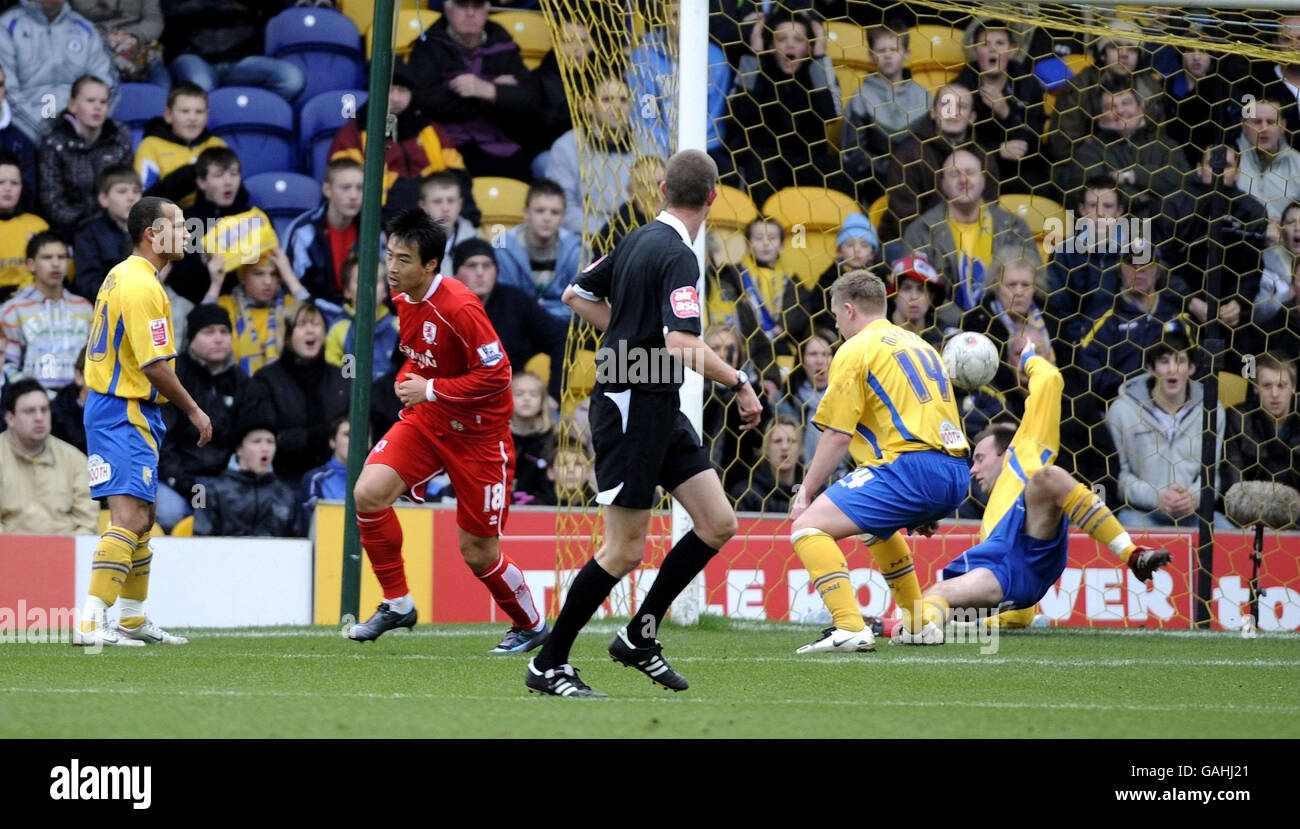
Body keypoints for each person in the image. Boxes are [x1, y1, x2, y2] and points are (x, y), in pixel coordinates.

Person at [525, 149, 762, 697]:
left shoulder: (635, 239)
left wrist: (628, 335)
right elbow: (680, 342)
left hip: (657, 405)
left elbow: (575, 294)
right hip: (632, 407)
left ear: (660, 190)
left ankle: (639, 635)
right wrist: (740, 380)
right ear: (713, 196)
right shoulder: (678, 256)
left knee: (717, 522)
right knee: (625, 549)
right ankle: (549, 663)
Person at [349, 208, 549, 655]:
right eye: (389, 256)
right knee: (368, 493)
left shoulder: (460, 305)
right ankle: (397, 602)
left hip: (480, 436)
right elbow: (424, 353)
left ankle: (531, 624)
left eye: (404, 260)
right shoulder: (402, 297)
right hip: (428, 421)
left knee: (477, 551)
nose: (392, 268)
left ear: (431, 265)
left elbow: (497, 375)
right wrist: (413, 377)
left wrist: (432, 389)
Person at [908, 343, 1172, 637]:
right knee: (936, 595)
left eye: (980, 458)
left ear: (1004, 453)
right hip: (1010, 574)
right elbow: (1017, 611)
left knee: (1048, 477)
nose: (973, 469)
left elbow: (1050, 381)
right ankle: (915, 629)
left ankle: (1131, 553)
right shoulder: (991, 518)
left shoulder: (1023, 450)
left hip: (1034, 541)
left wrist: (1029, 359)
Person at [786, 269, 968, 652]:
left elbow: (837, 434)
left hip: (913, 467)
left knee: (807, 528)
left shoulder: (856, 349)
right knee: (875, 528)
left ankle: (849, 627)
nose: (836, 325)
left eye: (836, 316)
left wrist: (806, 491)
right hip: (954, 469)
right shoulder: (919, 345)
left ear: (849, 309)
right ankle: (918, 624)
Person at [74, 195, 212, 648]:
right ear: (154, 233)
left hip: (123, 408)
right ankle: (91, 621)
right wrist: (193, 409)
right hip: (123, 409)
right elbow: (154, 365)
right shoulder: (142, 287)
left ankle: (131, 619)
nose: (187, 233)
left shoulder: (123, 275)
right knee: (129, 515)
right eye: (179, 225)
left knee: (144, 516)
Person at [156, 303, 269, 532]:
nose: (218, 339)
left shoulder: (245, 385)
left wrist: (225, 484)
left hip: (226, 480)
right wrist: (189, 485)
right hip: (175, 479)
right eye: (209, 332)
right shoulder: (173, 380)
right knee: (170, 514)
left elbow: (248, 440)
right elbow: (162, 442)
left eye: (224, 332)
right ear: (192, 338)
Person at [1105, 327, 1229, 529]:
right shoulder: (1122, 410)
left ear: (1191, 368)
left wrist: (1193, 498)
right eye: (1164, 361)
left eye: (1180, 361)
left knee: (1232, 537)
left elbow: (1212, 475)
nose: (1172, 369)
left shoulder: (1212, 410)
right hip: (1142, 514)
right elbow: (1118, 477)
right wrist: (1158, 498)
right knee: (1126, 535)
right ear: (1150, 368)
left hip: (1194, 513)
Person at [406, 0, 539, 180]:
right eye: (462, 5)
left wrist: (488, 89)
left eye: (476, 6)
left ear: (486, 11)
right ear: (448, 9)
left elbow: (531, 98)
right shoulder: (428, 44)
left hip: (499, 144)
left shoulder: (501, 41)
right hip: (446, 144)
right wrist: (494, 93)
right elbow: (423, 99)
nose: (470, 13)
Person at [453, 237, 567, 403]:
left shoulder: (516, 301)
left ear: (496, 271)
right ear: (456, 273)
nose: (480, 272)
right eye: (471, 265)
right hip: (454, 399)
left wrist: (554, 396)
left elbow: (560, 338)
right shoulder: (440, 305)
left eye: (487, 265)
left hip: (508, 402)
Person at [251, 301, 348, 488]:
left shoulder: (342, 379)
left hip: (336, 478)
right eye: (302, 325)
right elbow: (267, 436)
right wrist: (313, 438)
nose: (310, 331)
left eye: (316, 324)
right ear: (287, 336)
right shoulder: (266, 380)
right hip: (284, 477)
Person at [0, 0, 118, 143]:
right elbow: (7, 93)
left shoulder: (85, 28)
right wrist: (42, 133)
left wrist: (85, 128)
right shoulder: (6, 26)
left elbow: (108, 86)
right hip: (26, 134)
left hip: (81, 129)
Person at [37, 74, 132, 240]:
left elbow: (127, 190)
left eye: (103, 102)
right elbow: (52, 202)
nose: (98, 107)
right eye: (90, 101)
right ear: (72, 105)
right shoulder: (54, 142)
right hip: (71, 231)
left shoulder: (120, 139)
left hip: (115, 228)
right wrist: (89, 226)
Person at [840, 20, 930, 193]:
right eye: (881, 50)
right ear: (870, 55)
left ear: (907, 54)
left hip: (917, 180)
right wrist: (888, 170)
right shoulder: (860, 98)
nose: (887, 55)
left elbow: (931, 144)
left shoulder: (924, 96)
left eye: (894, 49)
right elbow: (851, 152)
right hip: (874, 182)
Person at [0, 376, 98, 534]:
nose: (39, 418)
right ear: (10, 418)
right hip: (7, 553)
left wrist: (56, 554)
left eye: (44, 410)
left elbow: (87, 524)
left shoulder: (75, 460)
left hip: (64, 553)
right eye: (30, 411)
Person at [1, 231, 93, 391]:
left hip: (78, 401)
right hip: (35, 404)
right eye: (47, 257)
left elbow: (94, 360)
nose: (56, 263)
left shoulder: (84, 307)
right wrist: (33, 395)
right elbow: (8, 365)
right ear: (31, 264)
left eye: (62, 257)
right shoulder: (12, 310)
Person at [493, 178, 582, 323]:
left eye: (555, 212)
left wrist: (541, 315)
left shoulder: (576, 250)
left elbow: (581, 305)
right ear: (526, 213)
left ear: (563, 216)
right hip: (518, 326)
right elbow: (505, 303)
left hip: (561, 327)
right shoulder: (503, 248)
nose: (547, 218)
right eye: (540, 211)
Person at [193, 420, 300, 538]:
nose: (265, 448)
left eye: (270, 442)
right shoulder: (207, 490)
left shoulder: (287, 495)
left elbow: (299, 544)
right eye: (256, 441)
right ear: (239, 449)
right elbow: (200, 541)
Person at [284, 158, 364, 307]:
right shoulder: (304, 232)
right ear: (327, 190)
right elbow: (295, 292)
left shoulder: (375, 231)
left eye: (360, 188)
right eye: (346, 187)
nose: (354, 195)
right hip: (316, 317)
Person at [1222, 353, 1300, 497]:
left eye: (1281, 386)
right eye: (1267, 386)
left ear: (1294, 387)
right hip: (1249, 511)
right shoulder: (1238, 419)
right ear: (1255, 387)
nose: (1275, 394)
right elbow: (1234, 485)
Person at [135, 81, 227, 202]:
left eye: (199, 112)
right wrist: (189, 175)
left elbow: (231, 191)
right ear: (168, 115)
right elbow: (144, 199)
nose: (193, 118)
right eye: (185, 111)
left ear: (207, 116)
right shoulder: (150, 146)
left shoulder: (217, 145)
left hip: (213, 218)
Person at [74, 164, 140, 300]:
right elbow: (88, 284)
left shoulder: (152, 230)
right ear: (104, 199)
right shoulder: (89, 233)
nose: (131, 197)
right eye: (122, 191)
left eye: (136, 191)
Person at [0, 152, 47, 300]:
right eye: (0, 182)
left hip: (34, 304)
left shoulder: (38, 226)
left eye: (14, 183)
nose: (8, 188)